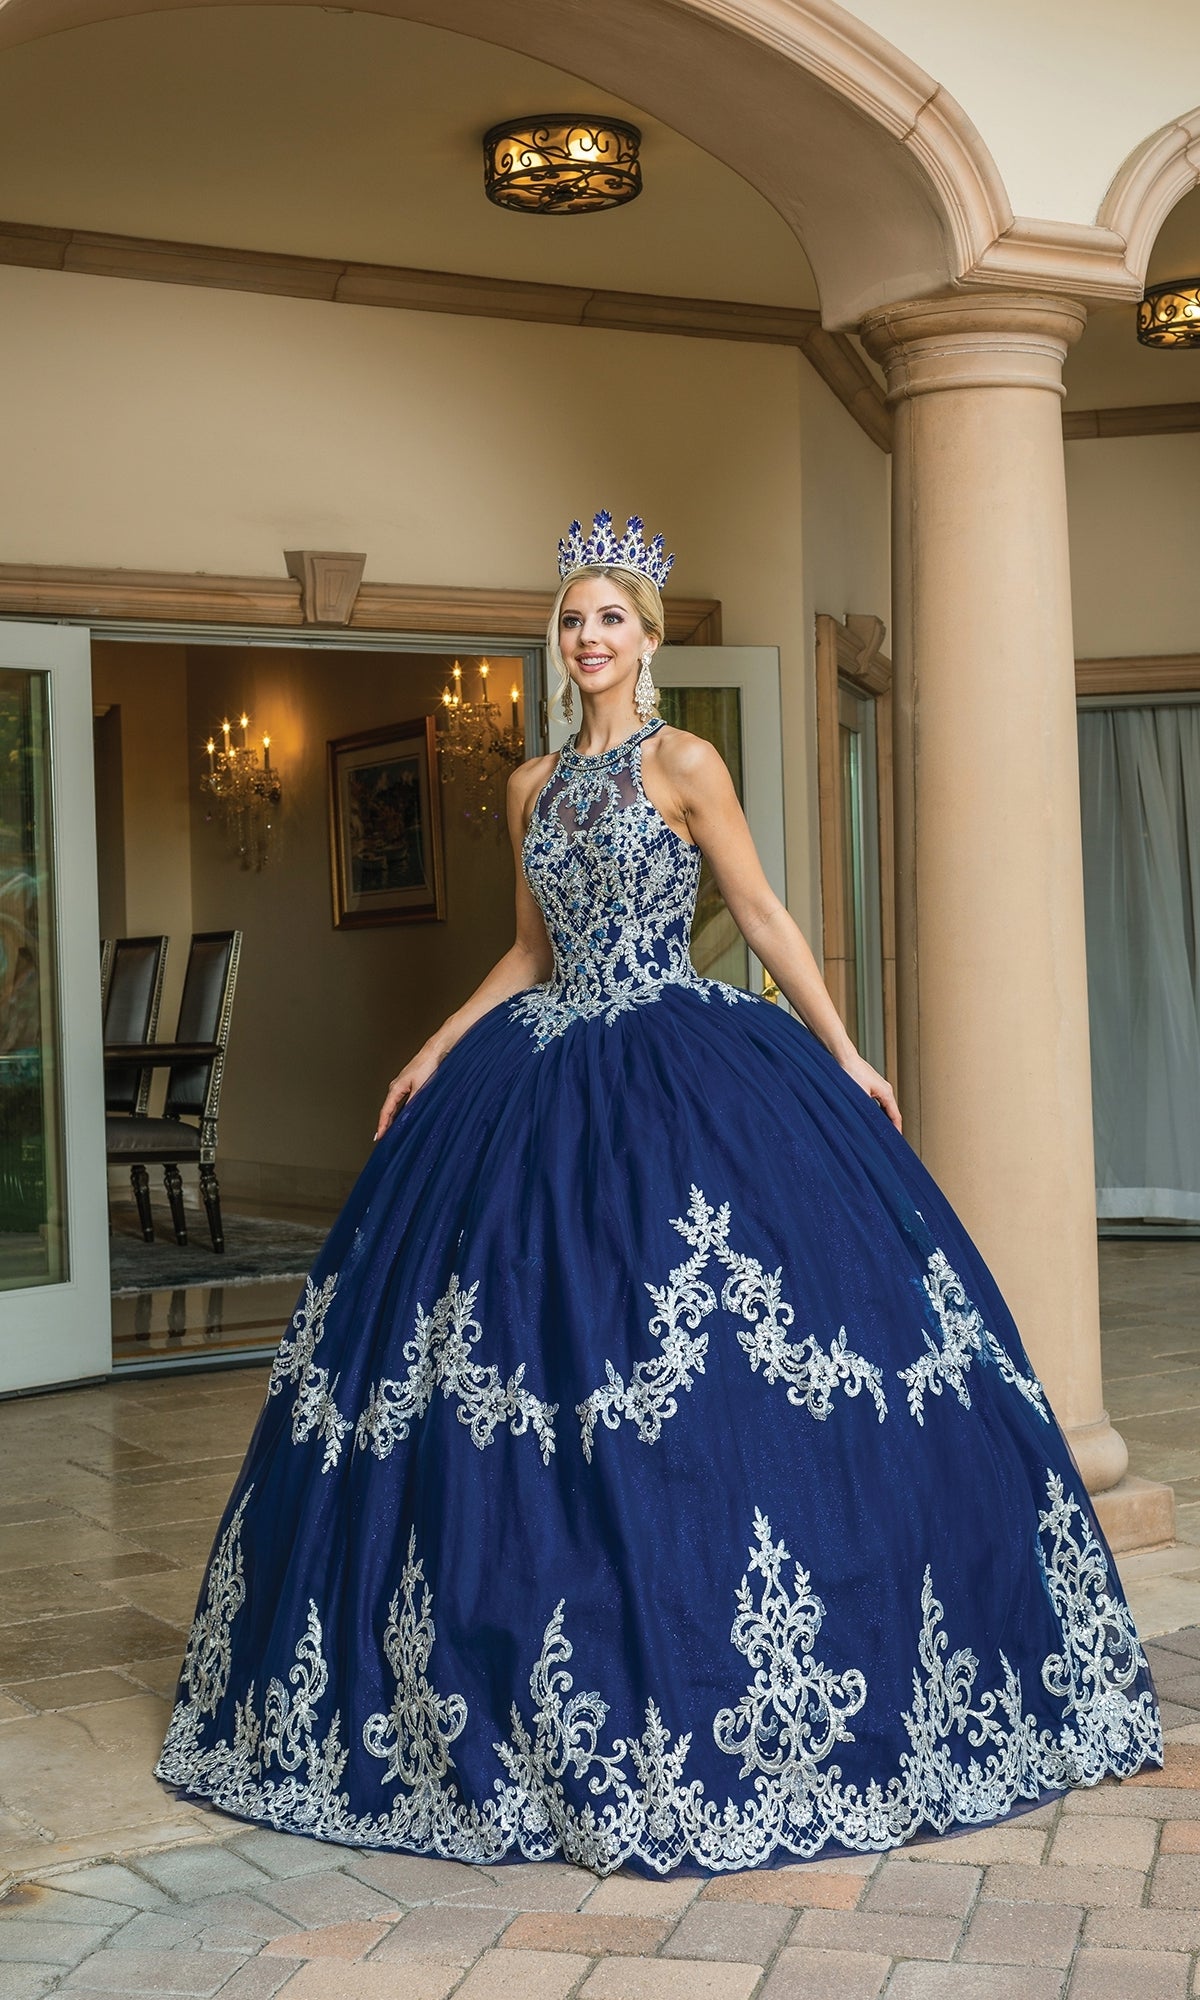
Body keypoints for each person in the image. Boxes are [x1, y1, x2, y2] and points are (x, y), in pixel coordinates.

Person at [157, 510, 1161, 1877]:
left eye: (609, 618)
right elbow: (525, 950)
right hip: (540, 1068)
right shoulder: (526, 786)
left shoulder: (686, 761)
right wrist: (435, 1048)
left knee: (727, 1340)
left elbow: (761, 919)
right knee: (512, 1329)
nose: (588, 638)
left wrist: (847, 1053)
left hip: (687, 1067)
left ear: (647, 636)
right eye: (572, 619)